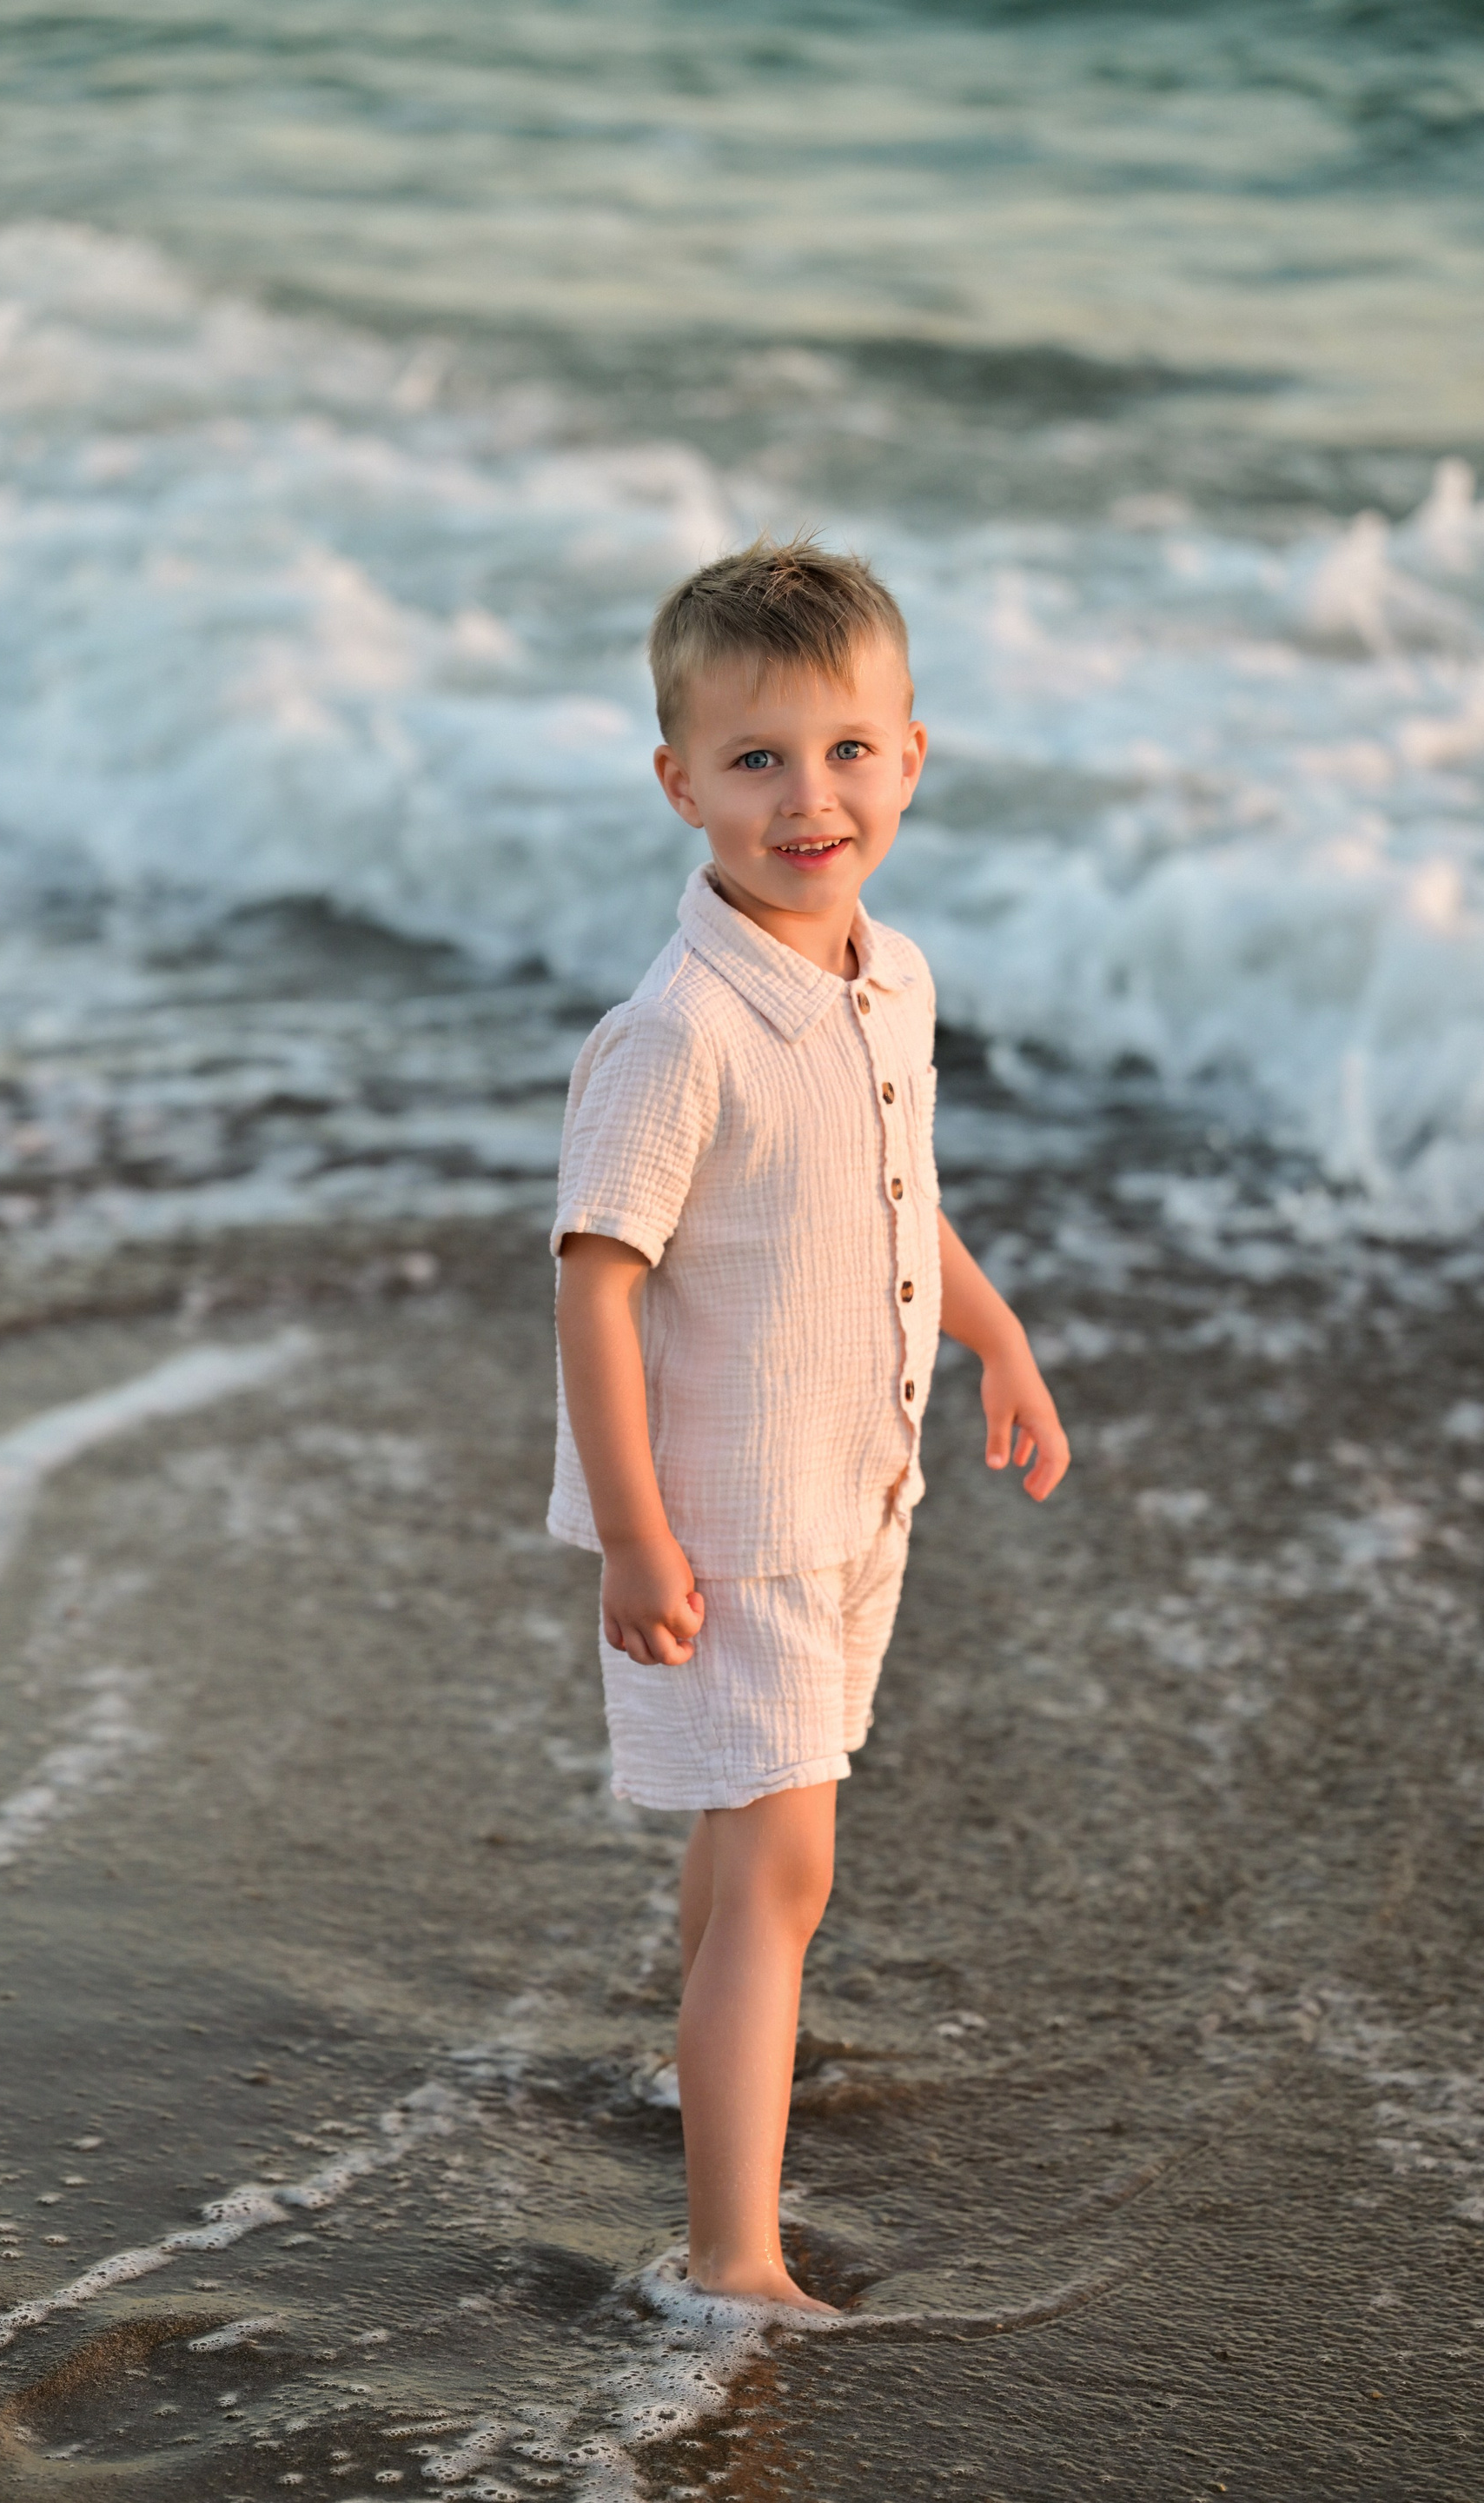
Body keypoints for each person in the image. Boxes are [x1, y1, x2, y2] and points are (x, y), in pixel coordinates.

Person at [549, 538, 1070, 2312]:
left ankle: (701, 2060)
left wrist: (999, 1339)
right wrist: (634, 1534)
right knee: (786, 1864)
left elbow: (897, 1191)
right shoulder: (679, 1034)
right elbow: (595, 1286)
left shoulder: (888, 977)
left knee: (745, 1833)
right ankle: (732, 2255)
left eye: (848, 751)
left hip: (859, 1488)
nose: (809, 797)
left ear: (911, 756)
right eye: (757, 759)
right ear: (679, 781)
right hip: (730, 1518)